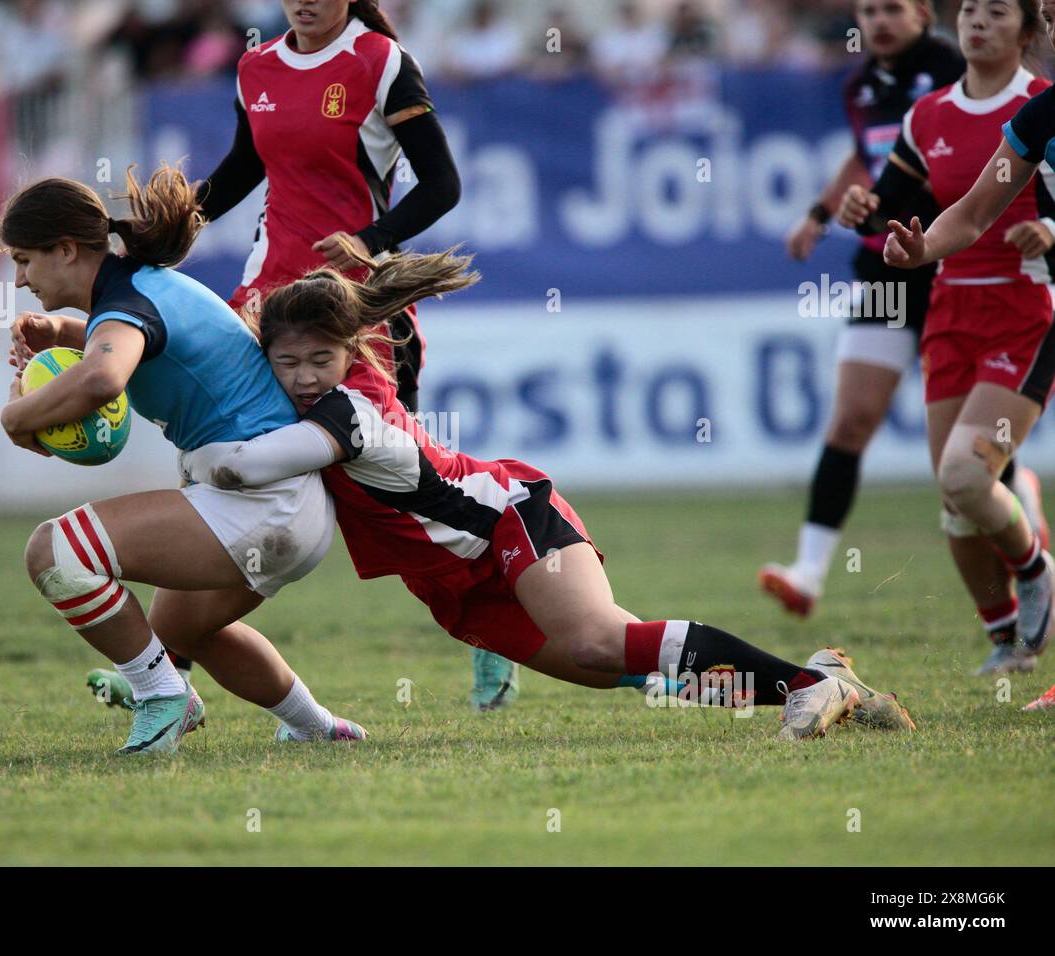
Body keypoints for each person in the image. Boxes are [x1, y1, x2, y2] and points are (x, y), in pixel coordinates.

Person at [178, 241, 918, 741]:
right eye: (287, 361)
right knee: (611, 667)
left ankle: (802, 689)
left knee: (599, 639)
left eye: (321, 358)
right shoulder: (301, 396)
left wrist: (194, 444)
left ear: (352, 352)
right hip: (451, 581)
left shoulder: (348, 411)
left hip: (508, 518)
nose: (305, 375)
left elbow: (243, 468)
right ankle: (830, 683)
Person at [87, 0, 521, 712]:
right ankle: (166, 671)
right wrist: (155, 235)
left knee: (389, 496)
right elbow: (239, 173)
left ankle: (492, 628)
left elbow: (442, 185)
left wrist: (371, 240)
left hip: (357, 311)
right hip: (265, 302)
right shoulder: (255, 66)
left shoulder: (382, 64)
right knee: (223, 466)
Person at [0, 164, 365, 753]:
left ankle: (162, 697)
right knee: (182, 631)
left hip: (255, 500)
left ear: (65, 249)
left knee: (52, 551)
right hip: (293, 507)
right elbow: (125, 338)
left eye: (24, 260)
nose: (19, 279)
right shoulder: (139, 289)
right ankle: (317, 728)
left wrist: (16, 417)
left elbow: (102, 377)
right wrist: (60, 329)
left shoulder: (128, 302)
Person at [761, 0, 977, 616]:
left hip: (953, 267)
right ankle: (808, 571)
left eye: (893, 9)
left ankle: (1023, 537)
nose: (879, 21)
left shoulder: (953, 71)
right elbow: (866, 156)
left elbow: (968, 164)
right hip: (885, 268)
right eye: (870, 10)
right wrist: (822, 212)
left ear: (923, 14)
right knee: (851, 419)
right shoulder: (862, 85)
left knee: (967, 443)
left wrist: (887, 198)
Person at [879, 0, 1055, 673]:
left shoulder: (1034, 99)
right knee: (957, 496)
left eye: (998, 11)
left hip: (1027, 311)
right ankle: (1008, 640)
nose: (978, 22)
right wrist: (921, 252)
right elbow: (974, 212)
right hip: (953, 316)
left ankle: (1036, 565)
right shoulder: (1032, 120)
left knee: (964, 471)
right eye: (970, 10)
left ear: (1029, 32)